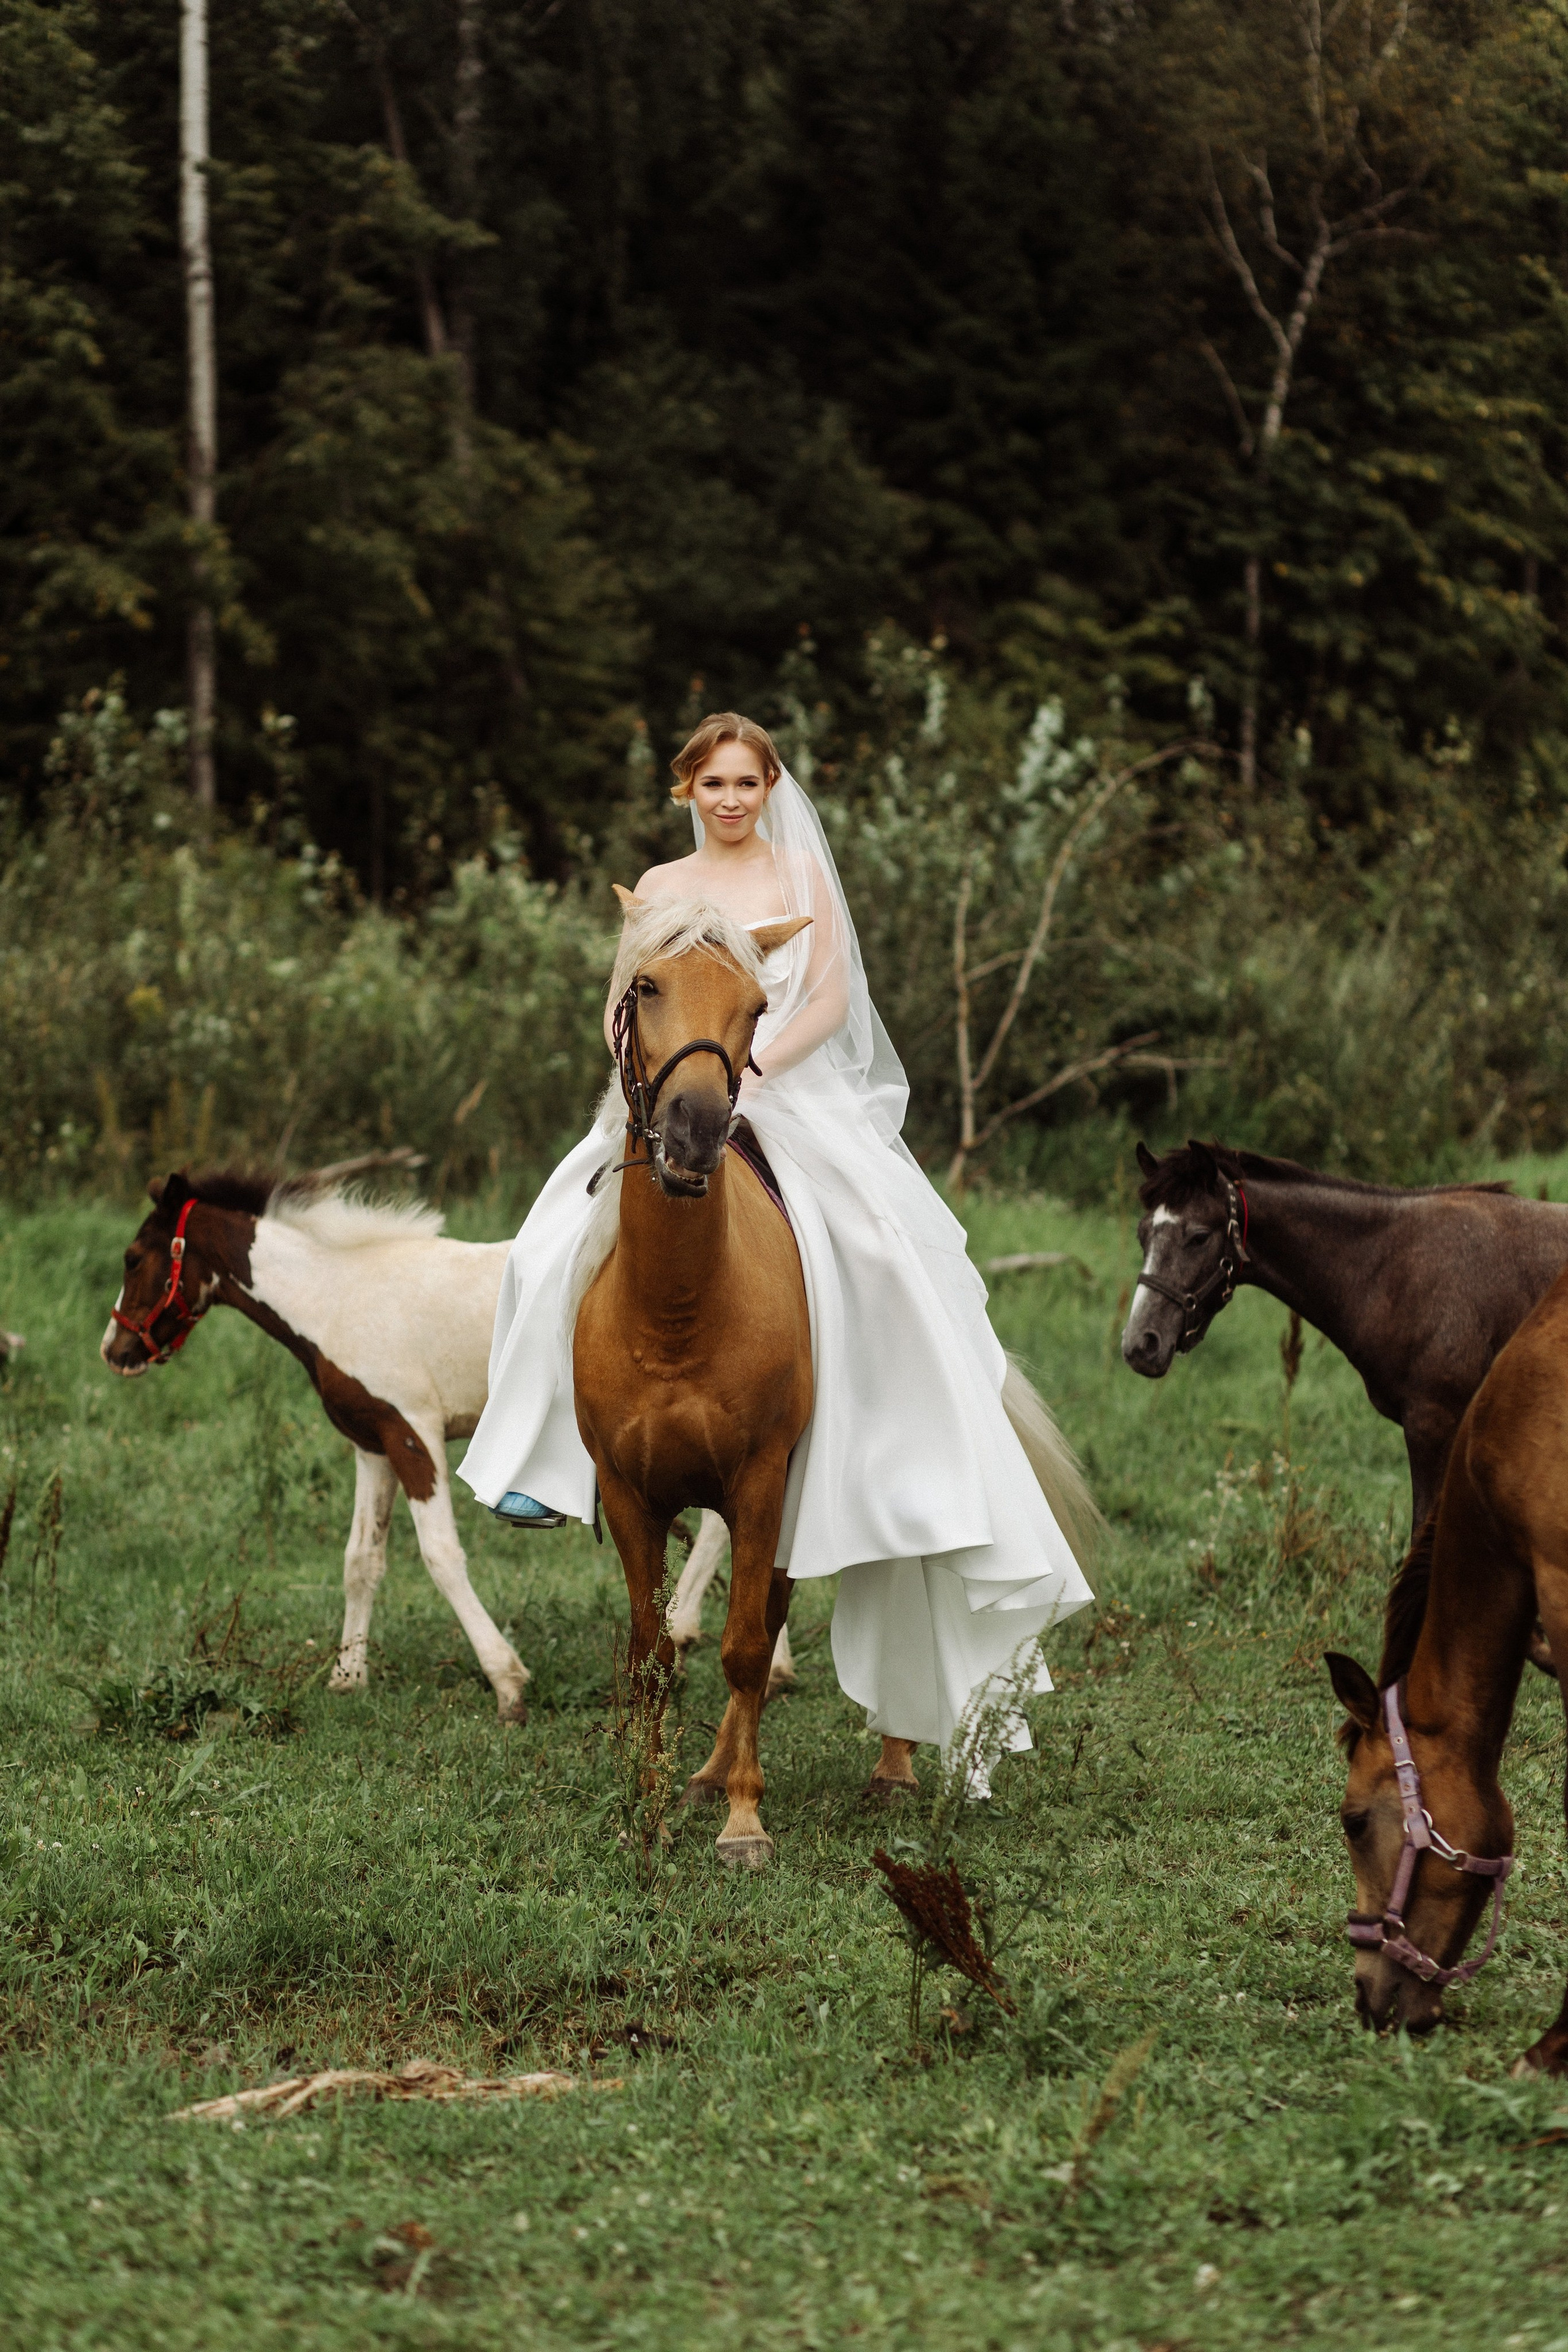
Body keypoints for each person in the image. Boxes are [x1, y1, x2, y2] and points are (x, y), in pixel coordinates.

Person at [459, 714, 1095, 1768]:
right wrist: (661, 1079)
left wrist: (753, 1072)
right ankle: (542, 1456)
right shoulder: (658, 888)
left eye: (748, 780)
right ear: (685, 789)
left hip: (778, 1092)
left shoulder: (801, 875)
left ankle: (894, 1431)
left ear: (769, 786)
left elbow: (832, 1000)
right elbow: (621, 1005)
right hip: (668, 1092)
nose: (731, 797)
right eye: (713, 781)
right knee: (546, 1242)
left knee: (875, 1251)